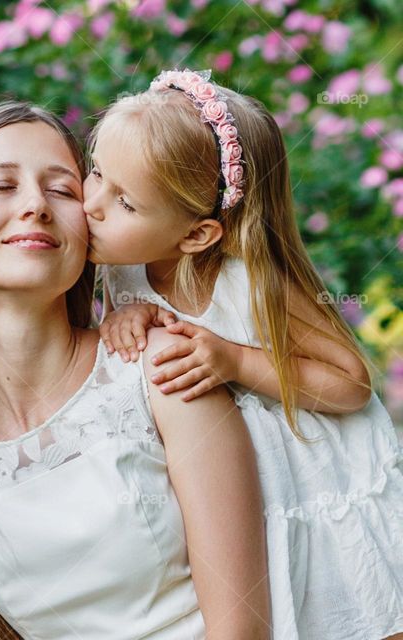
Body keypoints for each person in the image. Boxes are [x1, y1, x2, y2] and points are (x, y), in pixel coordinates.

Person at [0, 100, 269, 639]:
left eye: (62, 189)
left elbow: (241, 629)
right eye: (0, 186)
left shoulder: (163, 372)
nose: (35, 205)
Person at [89, 68, 403, 640]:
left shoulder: (251, 282)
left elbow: (351, 383)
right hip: (231, 491)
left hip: (309, 479)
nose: (92, 205)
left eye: (124, 201)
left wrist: (235, 361)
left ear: (197, 235)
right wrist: (122, 315)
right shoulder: (122, 264)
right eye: (95, 175)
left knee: (347, 610)